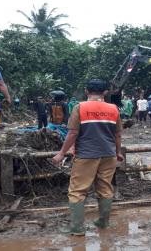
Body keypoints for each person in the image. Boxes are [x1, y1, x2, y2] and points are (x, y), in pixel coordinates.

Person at [52, 79, 123, 236]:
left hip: (86, 155)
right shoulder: (114, 109)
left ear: (86, 91)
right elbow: (117, 134)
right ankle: (103, 222)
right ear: (105, 92)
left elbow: (72, 133)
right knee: (105, 188)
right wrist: (118, 152)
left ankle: (77, 228)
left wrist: (61, 153)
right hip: (109, 155)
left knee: (77, 191)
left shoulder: (80, 107)